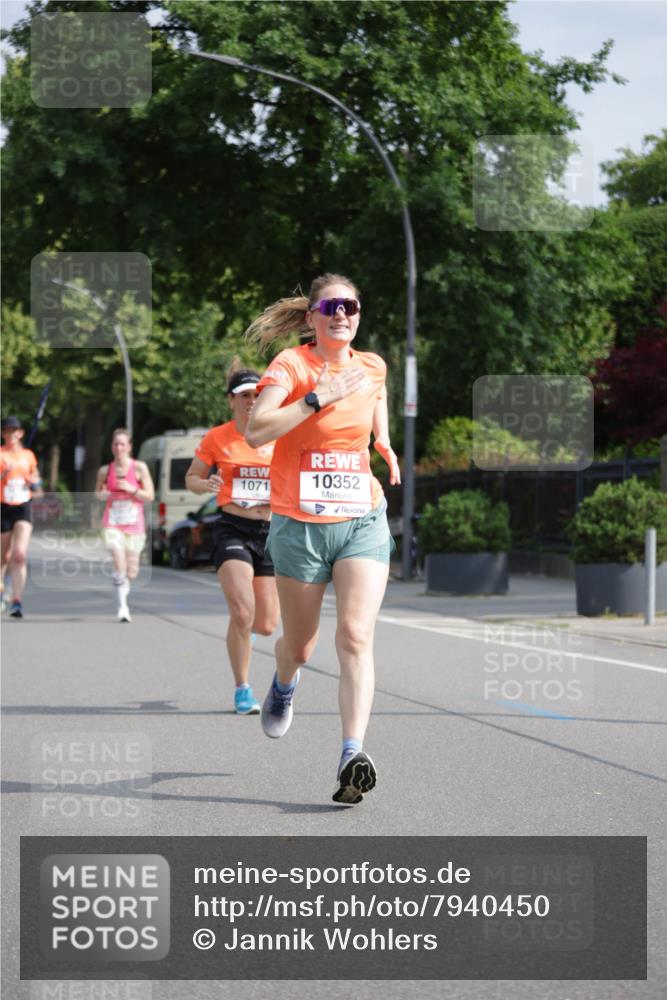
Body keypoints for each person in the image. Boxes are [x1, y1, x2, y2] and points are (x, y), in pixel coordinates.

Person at [245, 273, 401, 805]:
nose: (341, 314)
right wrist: (316, 398)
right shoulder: (292, 366)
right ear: (312, 316)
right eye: (330, 306)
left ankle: (351, 754)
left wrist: (382, 440)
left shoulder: (372, 365)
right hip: (301, 525)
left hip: (362, 517)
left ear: (359, 314)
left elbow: (375, 394)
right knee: (302, 645)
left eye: (350, 306)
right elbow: (258, 431)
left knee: (355, 636)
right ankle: (284, 683)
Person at [185, 369, 279, 715]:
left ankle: (245, 635)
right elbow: (192, 477)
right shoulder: (218, 438)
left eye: (257, 394)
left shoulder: (277, 435)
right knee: (242, 612)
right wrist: (204, 485)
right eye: (244, 396)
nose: (252, 401)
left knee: (266, 624)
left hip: (271, 533)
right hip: (233, 528)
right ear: (231, 400)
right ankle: (243, 688)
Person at [95, 428, 155, 622]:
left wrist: (132, 489)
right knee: (119, 561)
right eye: (115, 444)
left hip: (134, 524)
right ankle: (122, 608)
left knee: (132, 571)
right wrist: (103, 495)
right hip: (112, 523)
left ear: (129, 446)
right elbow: (97, 493)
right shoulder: (105, 471)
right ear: (112, 446)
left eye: (122, 444)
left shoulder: (139, 468)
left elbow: (150, 496)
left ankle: (123, 586)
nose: (118, 447)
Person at [1, 415, 43, 618]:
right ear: (3, 434)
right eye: (7, 431)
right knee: (3, 557)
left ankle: (17, 601)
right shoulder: (0, 454)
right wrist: (3, 474)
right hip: (3, 506)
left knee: (19, 554)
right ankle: (2, 591)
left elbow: (37, 484)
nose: (11, 435)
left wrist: (33, 481)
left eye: (14, 431)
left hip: (23, 505)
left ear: (20, 433)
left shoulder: (29, 456)